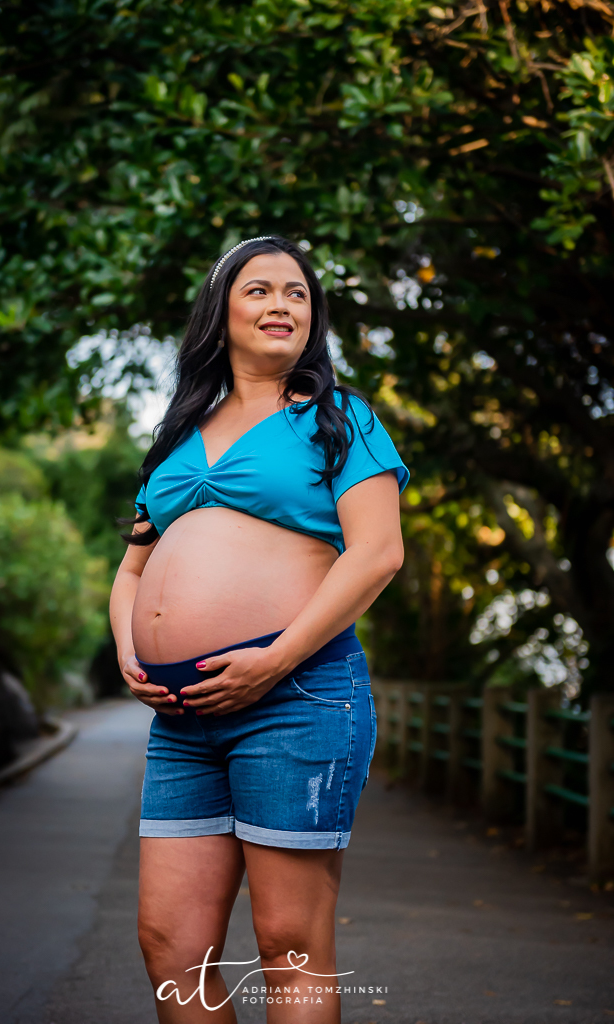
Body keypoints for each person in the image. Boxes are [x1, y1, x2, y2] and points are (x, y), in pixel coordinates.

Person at [109, 235, 409, 1024]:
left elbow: (377, 554)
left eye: (297, 293)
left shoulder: (339, 420)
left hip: (297, 696)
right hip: (180, 721)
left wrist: (274, 658)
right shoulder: (178, 435)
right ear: (220, 314)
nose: (281, 304)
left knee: (287, 943)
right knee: (170, 944)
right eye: (260, 290)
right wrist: (127, 647)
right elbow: (135, 570)